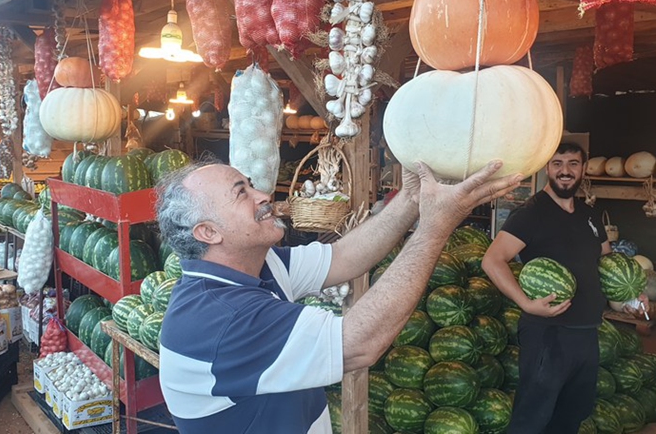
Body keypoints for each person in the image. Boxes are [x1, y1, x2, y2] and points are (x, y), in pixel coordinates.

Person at [155, 157, 521, 434]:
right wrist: (434, 229)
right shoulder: (220, 320)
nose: (263, 195)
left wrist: (411, 199)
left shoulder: (254, 267)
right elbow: (359, 343)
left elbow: (342, 257)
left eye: (251, 185)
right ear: (208, 232)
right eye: (241, 193)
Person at [482, 142, 611, 434]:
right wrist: (525, 303)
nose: (565, 171)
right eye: (557, 164)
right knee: (533, 417)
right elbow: (492, 260)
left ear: (583, 168)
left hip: (586, 332)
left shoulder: (589, 216)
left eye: (573, 164)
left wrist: (628, 293)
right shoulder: (531, 213)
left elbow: (605, 260)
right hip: (548, 335)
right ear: (547, 168)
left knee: (571, 415)